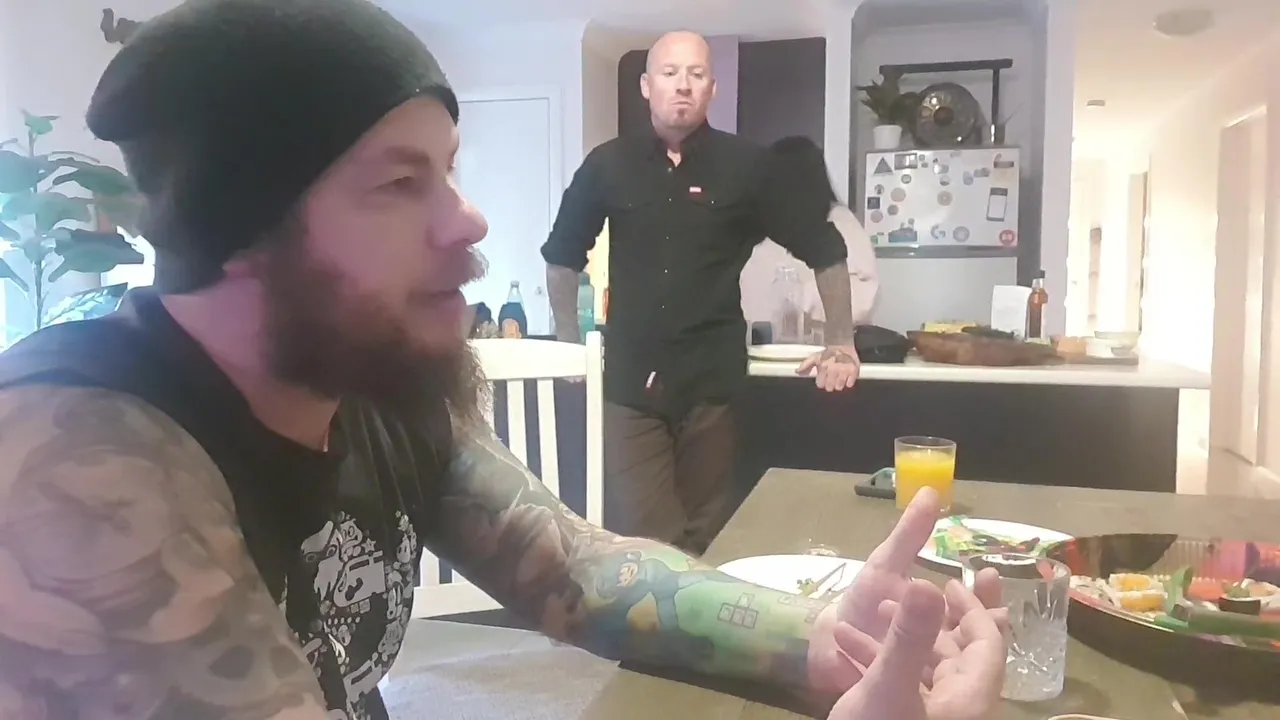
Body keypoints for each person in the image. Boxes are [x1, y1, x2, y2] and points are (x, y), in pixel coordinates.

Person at [0, 3, 1004, 719]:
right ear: (239, 229)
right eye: (399, 184)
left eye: (448, 170)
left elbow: (577, 570)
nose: (468, 219)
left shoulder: (368, 386)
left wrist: (825, 642)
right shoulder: (76, 455)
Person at [542, 31, 862, 556]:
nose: (682, 85)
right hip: (630, 385)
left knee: (707, 537)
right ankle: (663, 609)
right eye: (669, 73)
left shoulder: (749, 167)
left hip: (714, 386)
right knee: (648, 543)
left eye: (696, 74)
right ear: (646, 86)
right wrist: (565, 342)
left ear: (712, 88)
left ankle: (696, 611)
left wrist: (841, 342)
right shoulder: (608, 164)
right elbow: (561, 254)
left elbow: (824, 247)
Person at [741, 136, 880, 334]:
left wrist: (800, 296)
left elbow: (862, 297)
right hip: (757, 343)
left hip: (817, 345)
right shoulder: (760, 222)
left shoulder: (839, 221)